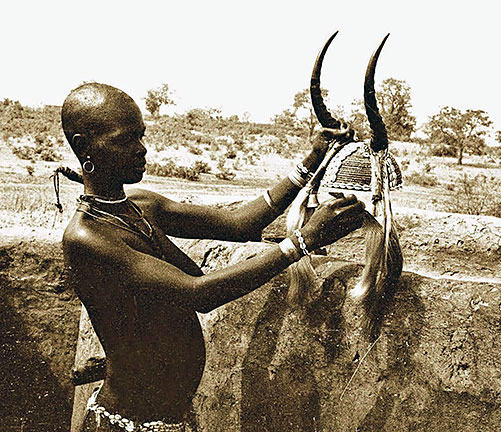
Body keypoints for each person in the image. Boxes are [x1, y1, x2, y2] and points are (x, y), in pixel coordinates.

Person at [61, 82, 365, 431]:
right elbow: (198, 293)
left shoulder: (142, 206)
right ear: (84, 146)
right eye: (125, 139)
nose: (141, 149)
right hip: (128, 423)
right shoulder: (88, 238)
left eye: (141, 135)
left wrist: (311, 160)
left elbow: (238, 224)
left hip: (167, 419)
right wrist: (303, 241)